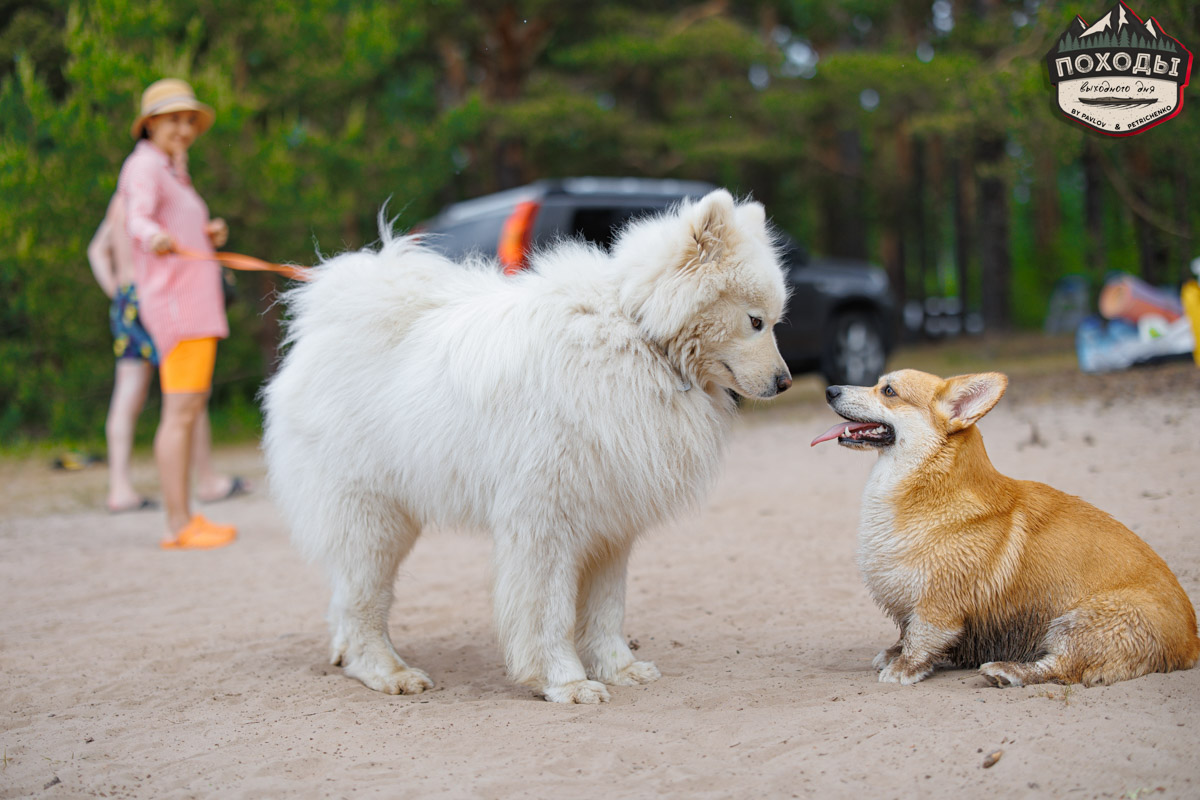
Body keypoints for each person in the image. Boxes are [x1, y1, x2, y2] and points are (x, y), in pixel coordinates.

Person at [117, 77, 238, 549]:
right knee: (180, 414)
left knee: (187, 411)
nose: (184, 129)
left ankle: (185, 516)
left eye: (189, 121)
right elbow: (137, 218)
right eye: (174, 120)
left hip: (195, 304)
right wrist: (154, 238)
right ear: (150, 123)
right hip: (178, 305)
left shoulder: (172, 170)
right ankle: (177, 524)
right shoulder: (145, 165)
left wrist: (207, 232)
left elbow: (172, 222)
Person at [87, 193, 249, 514]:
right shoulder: (155, 195)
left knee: (127, 394)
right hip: (159, 297)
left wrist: (117, 292)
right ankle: (207, 480)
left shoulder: (120, 201)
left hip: (127, 300)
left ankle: (120, 489)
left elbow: (96, 250)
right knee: (189, 391)